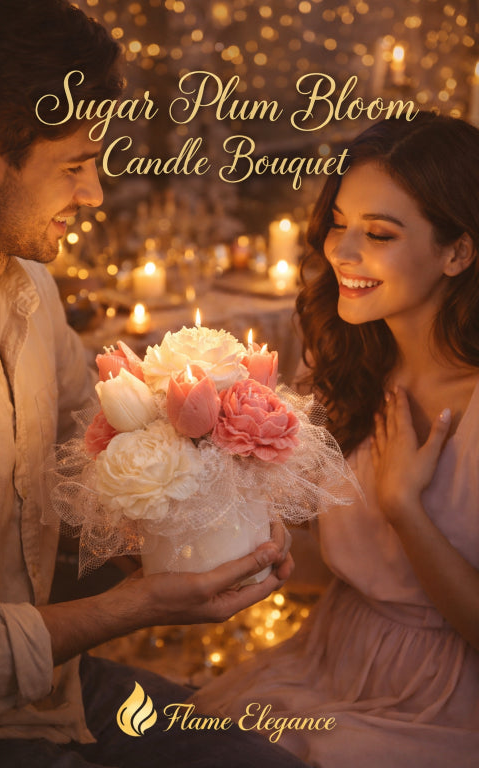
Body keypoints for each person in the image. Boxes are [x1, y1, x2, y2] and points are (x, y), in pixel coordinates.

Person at [0, 2, 304, 766]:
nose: (91, 194)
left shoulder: (29, 292)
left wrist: (200, 531)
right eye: (74, 166)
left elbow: (86, 459)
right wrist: (135, 606)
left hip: (59, 686)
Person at [190, 112, 479, 767]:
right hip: (331, 651)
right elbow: (329, 551)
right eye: (340, 223)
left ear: (457, 251)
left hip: (441, 698)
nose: (343, 252)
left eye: (378, 233)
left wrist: (405, 507)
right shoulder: (352, 364)